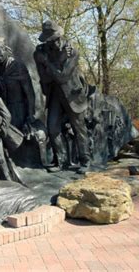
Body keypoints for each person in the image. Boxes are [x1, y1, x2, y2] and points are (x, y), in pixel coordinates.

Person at [34, 21, 91, 173]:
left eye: (55, 39)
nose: (55, 43)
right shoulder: (41, 51)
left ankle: (85, 161)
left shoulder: (72, 52)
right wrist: (55, 64)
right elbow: (45, 79)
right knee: (52, 128)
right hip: (55, 96)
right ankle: (61, 161)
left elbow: (63, 77)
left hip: (73, 95)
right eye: (51, 40)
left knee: (79, 129)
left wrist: (47, 63)